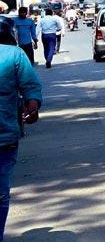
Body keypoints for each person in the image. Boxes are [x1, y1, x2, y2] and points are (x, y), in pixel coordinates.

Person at [1, 36, 42, 239]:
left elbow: (30, 86)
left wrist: (33, 103)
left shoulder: (13, 55)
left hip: (4, 137)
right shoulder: (13, 54)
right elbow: (30, 87)